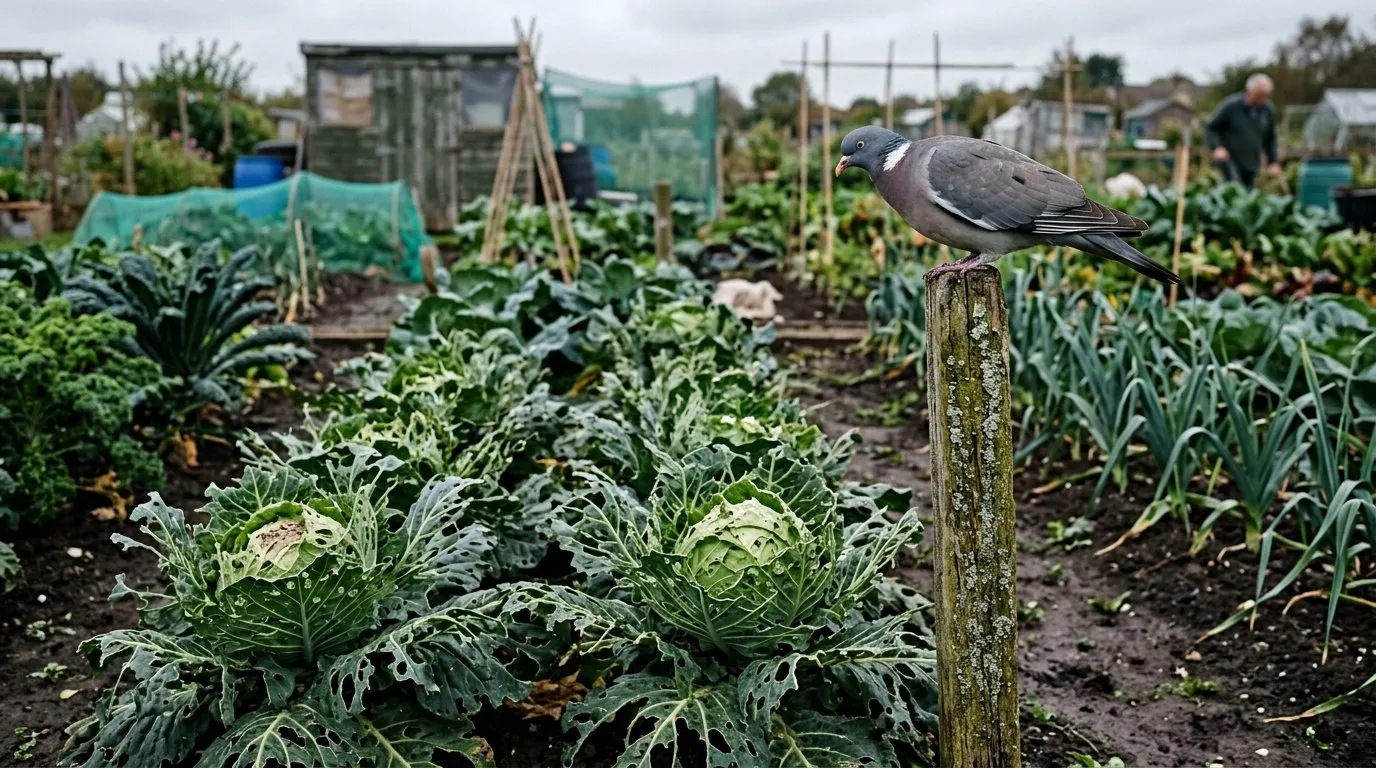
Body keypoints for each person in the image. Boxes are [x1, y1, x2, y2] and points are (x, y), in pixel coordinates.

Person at [1205, 73, 1281, 188]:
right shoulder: (1231, 107)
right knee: (1231, 193)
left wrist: (1273, 162)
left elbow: (1270, 138)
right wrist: (1216, 147)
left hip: (1252, 164)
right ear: (1249, 91)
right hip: (1229, 163)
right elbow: (1211, 127)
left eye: (1266, 96)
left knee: (1248, 197)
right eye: (1259, 95)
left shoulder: (1267, 111)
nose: (1262, 99)